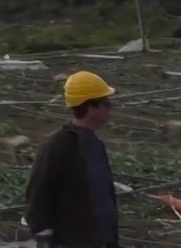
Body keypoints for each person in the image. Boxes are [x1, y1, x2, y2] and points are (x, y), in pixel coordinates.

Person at [25, 70, 120, 248]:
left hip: (100, 238)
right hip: (73, 240)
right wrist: (43, 235)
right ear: (91, 107)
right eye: (106, 103)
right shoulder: (59, 145)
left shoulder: (95, 143)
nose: (110, 107)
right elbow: (38, 190)